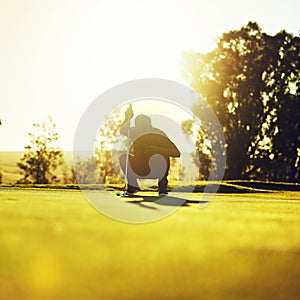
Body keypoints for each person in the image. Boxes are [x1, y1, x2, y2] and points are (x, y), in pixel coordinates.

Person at [119, 104, 180, 196]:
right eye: (138, 127)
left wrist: (157, 150)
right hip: (141, 169)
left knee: (160, 156)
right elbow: (123, 130)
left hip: (157, 170)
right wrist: (127, 118)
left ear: (149, 126)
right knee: (123, 157)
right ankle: (133, 186)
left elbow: (177, 153)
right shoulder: (136, 132)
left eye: (143, 127)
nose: (141, 130)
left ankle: (162, 188)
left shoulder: (158, 134)